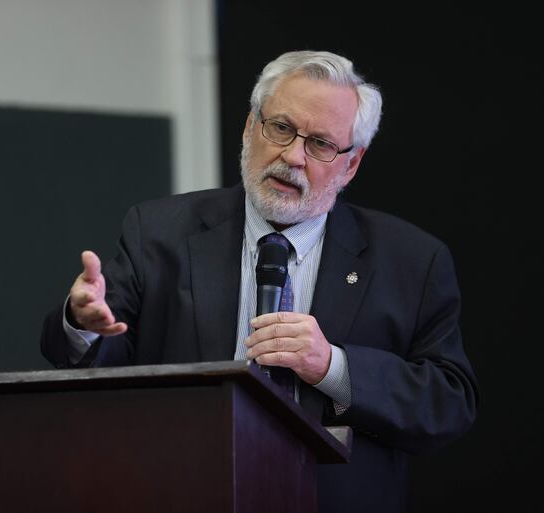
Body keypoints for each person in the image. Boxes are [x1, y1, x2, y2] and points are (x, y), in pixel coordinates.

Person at [40, 50, 478, 513]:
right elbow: (103, 361)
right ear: (251, 127)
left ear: (350, 165)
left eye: (321, 144)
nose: (292, 156)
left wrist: (332, 366)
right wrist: (82, 324)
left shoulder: (411, 260)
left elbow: (447, 403)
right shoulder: (159, 231)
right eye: (282, 128)